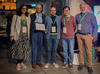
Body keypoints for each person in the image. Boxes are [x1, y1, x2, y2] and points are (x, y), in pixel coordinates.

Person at [76, 3, 97, 73]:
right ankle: (81, 64)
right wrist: (76, 33)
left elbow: (95, 26)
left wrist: (93, 36)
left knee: (88, 51)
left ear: (86, 8)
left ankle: (89, 66)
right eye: (81, 7)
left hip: (88, 36)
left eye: (83, 7)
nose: (82, 8)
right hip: (79, 35)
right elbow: (76, 25)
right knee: (80, 51)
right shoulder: (77, 16)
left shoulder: (91, 15)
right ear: (80, 8)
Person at [10, 5, 31, 71]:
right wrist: (12, 35)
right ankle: (18, 63)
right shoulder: (16, 16)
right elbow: (12, 26)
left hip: (26, 36)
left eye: (25, 8)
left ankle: (21, 62)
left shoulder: (28, 17)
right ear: (20, 9)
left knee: (24, 50)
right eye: (23, 8)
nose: (24, 9)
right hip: (18, 35)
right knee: (18, 50)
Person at [30, 4, 45, 69]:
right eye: (37, 8)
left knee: (40, 48)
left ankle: (38, 61)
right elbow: (30, 25)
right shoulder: (31, 15)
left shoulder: (44, 16)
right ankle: (33, 62)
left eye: (40, 8)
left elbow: (45, 24)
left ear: (41, 9)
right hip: (34, 33)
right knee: (34, 48)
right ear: (35, 8)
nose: (39, 9)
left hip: (41, 33)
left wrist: (45, 29)